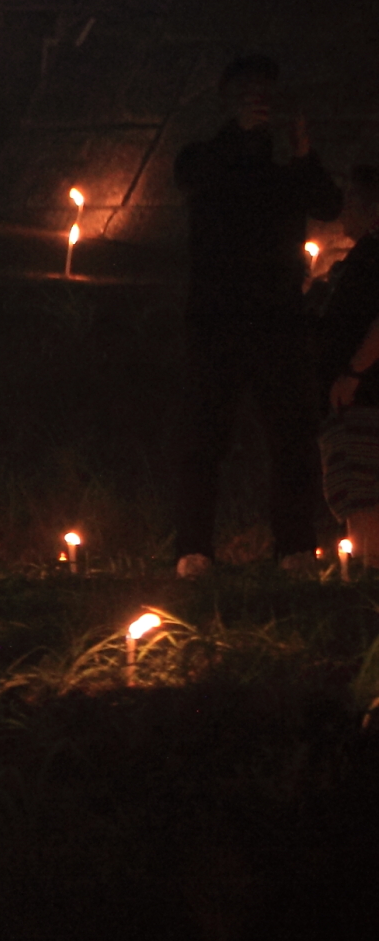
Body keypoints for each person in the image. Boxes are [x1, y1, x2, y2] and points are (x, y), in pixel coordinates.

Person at [174, 56, 345, 575]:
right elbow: (197, 182)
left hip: (279, 319)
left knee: (291, 435)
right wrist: (239, 137)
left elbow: (328, 204)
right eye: (250, 93)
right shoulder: (204, 156)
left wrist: (303, 152)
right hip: (218, 319)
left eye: (267, 94)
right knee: (206, 435)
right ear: (229, 99)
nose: (260, 102)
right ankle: (193, 548)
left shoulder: (286, 168)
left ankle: (294, 545)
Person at [318, 167, 379, 564]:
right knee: (356, 490)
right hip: (356, 393)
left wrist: (354, 373)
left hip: (367, 394)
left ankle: (370, 582)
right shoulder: (363, 255)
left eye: (351, 202)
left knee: (366, 491)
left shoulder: (376, 255)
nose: (343, 212)